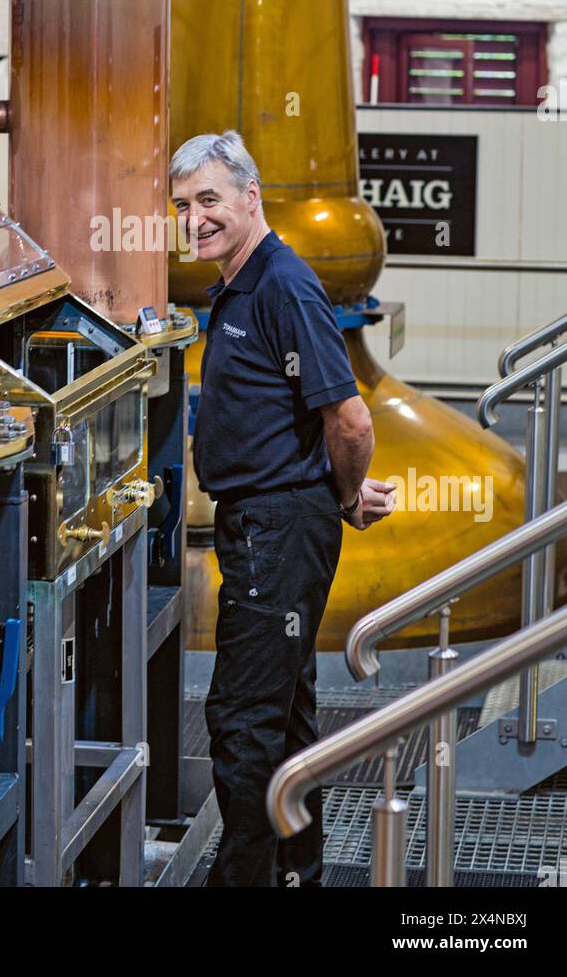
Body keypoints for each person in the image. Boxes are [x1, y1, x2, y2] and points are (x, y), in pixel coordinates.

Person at [170, 129, 396, 888]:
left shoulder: (283, 284)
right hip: (269, 518)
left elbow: (350, 418)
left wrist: (333, 491)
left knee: (242, 724)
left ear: (249, 196)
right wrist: (323, 482)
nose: (194, 218)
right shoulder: (237, 284)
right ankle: (299, 871)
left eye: (208, 199)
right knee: (287, 716)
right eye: (183, 205)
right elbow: (300, 417)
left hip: (277, 530)